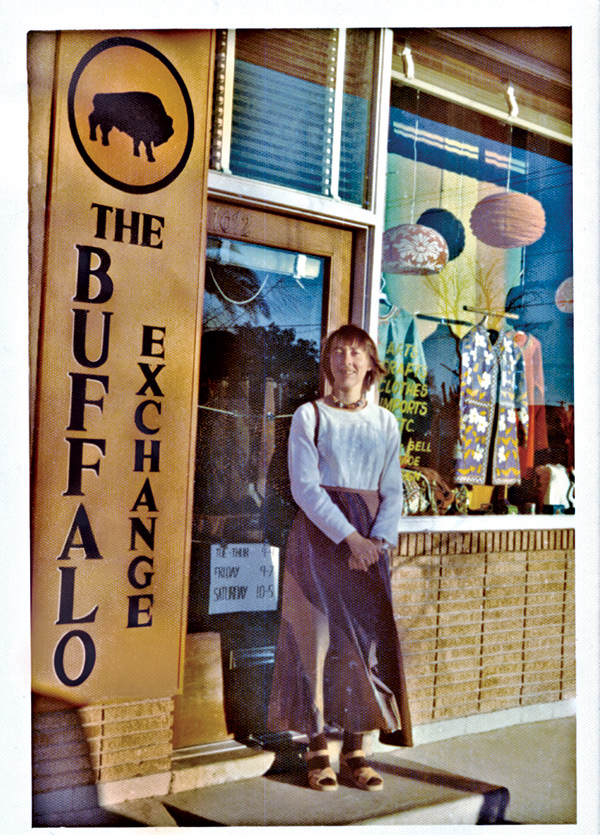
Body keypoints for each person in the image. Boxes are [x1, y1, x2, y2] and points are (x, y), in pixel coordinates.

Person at [268, 324, 412, 793]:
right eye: (338, 352)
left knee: (362, 644)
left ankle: (355, 748)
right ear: (328, 362)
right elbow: (304, 487)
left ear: (370, 365)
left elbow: (393, 491)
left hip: (370, 542)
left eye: (356, 353)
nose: (346, 361)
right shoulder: (309, 417)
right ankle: (315, 747)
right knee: (314, 638)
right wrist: (350, 538)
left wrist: (377, 542)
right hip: (321, 537)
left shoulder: (385, 423)